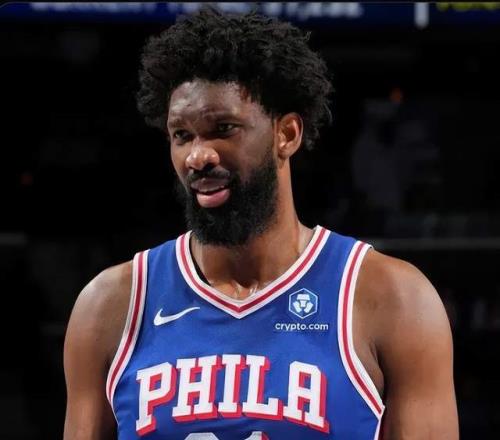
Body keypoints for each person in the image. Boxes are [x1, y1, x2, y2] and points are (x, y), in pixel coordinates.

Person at [63, 8, 458, 440]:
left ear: (286, 134)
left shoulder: (393, 298)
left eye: (223, 128)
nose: (198, 156)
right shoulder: (111, 305)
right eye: (182, 135)